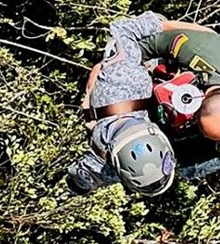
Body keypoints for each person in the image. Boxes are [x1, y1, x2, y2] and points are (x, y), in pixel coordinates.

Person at [139, 17, 220, 180]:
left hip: (215, 151)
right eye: (202, 128)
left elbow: (193, 151)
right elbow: (153, 42)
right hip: (208, 46)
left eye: (208, 134)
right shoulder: (199, 51)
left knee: (170, 167)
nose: (204, 135)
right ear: (198, 99)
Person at [66, 12, 176, 197]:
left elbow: (125, 29)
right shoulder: (104, 155)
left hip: (133, 65)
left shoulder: (126, 83)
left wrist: (206, 34)